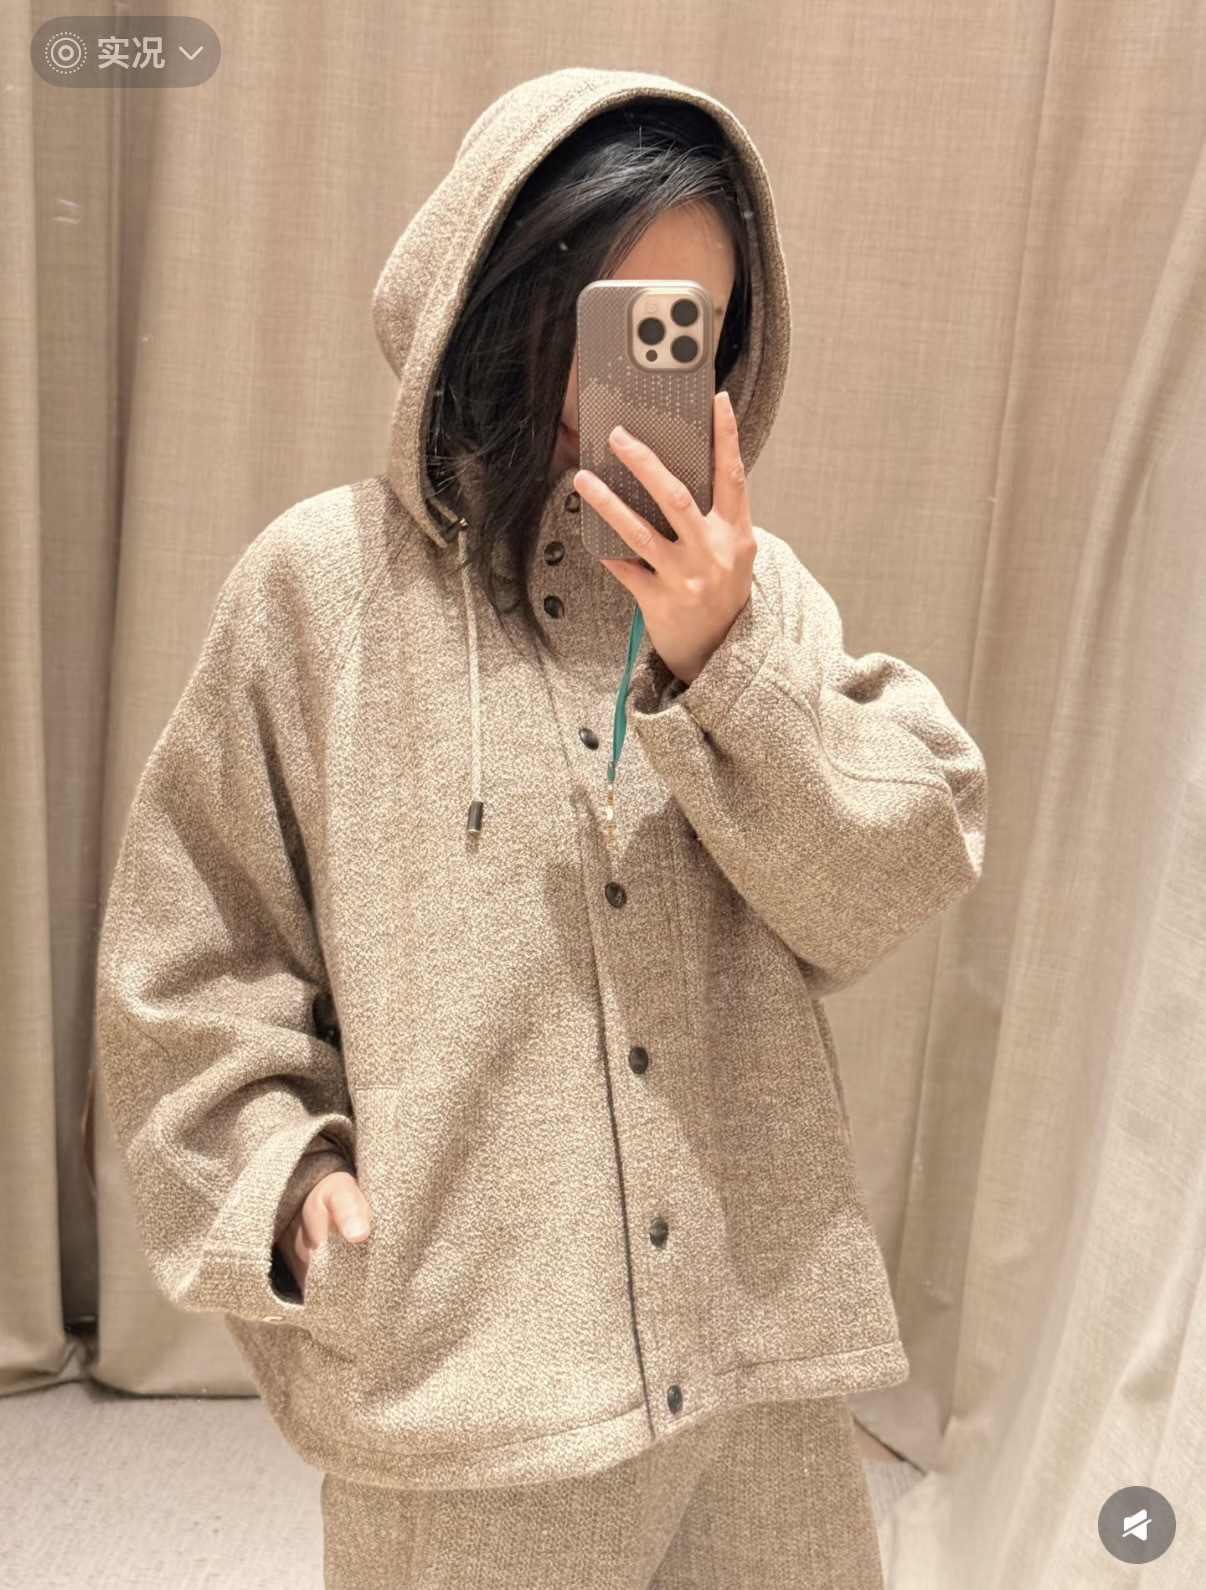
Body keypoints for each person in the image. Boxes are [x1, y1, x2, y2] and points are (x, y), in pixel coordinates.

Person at [93, 66, 988, 1589]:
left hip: (757, 1376)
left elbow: (886, 875)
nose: (655, 358)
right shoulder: (318, 593)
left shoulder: (750, 598)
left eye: (695, 323)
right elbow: (188, 961)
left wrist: (723, 668)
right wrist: (289, 1180)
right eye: (617, 311)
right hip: (473, 1390)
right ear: (497, 292)